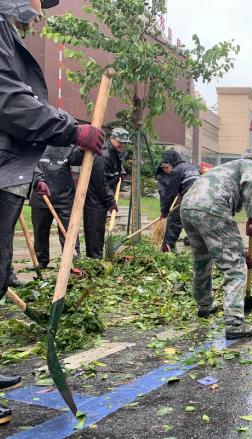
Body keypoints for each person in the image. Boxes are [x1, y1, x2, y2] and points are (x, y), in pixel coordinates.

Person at [0, 0, 104, 425]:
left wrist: (31, 177)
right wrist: (71, 128)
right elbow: (9, 100)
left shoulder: (8, 33)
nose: (40, 15)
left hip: (9, 173)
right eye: (40, 4)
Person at [181, 149, 252, 340]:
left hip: (188, 207)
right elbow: (251, 182)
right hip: (211, 207)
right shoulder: (250, 165)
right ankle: (235, 322)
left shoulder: (225, 168)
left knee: (202, 259)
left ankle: (204, 305)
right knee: (235, 266)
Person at [30, 146, 83, 268]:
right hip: (41, 196)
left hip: (64, 196)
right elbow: (30, 165)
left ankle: (73, 260)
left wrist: (82, 149)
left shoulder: (67, 146)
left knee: (69, 230)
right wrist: (39, 180)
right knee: (40, 231)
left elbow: (77, 159)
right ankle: (41, 261)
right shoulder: (37, 145)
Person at [84, 128, 129, 258]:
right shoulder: (103, 156)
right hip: (95, 199)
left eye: (125, 143)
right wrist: (111, 201)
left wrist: (121, 172)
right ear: (112, 139)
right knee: (94, 230)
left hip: (102, 198)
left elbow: (116, 166)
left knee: (99, 229)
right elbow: (100, 182)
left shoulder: (115, 152)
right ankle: (94, 260)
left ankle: (97, 257)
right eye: (120, 142)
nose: (123, 145)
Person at [155, 150, 199, 252]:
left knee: (173, 221)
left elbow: (170, 195)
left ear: (171, 162)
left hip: (189, 201)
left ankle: (166, 248)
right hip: (200, 200)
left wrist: (164, 213)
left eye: (167, 166)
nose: (167, 170)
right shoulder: (191, 167)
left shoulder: (177, 171)